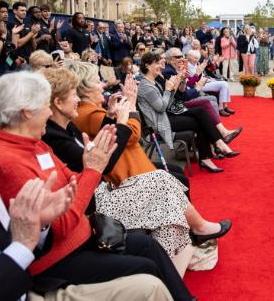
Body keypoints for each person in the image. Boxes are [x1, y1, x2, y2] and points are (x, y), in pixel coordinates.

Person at [0, 71, 195, 300]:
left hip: (82, 235)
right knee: (145, 267)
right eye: (45, 106)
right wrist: (93, 170)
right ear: (26, 112)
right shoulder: (5, 161)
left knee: (145, 244)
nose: (49, 112)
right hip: (58, 259)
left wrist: (89, 170)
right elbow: (61, 225)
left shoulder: (34, 145)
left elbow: (73, 181)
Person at [41, 67, 231, 273]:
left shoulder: (67, 126)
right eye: (73, 94)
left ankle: (175, 264)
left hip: (106, 186)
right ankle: (190, 241)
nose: (103, 85)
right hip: (100, 197)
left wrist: (114, 117)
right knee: (164, 181)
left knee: (167, 186)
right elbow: (129, 138)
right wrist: (127, 112)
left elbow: (97, 150)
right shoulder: (68, 125)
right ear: (58, 103)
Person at [137, 52, 239, 173]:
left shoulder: (154, 81)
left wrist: (180, 81)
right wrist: (169, 90)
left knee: (201, 112)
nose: (160, 66)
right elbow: (161, 108)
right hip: (160, 124)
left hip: (169, 115)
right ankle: (214, 149)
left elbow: (172, 101)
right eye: (157, 63)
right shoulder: (145, 86)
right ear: (147, 66)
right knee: (200, 120)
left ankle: (215, 148)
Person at [185, 49, 235, 116]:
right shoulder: (188, 66)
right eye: (195, 58)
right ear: (189, 57)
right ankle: (221, 108)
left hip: (204, 81)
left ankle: (225, 106)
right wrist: (203, 70)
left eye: (197, 58)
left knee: (224, 83)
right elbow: (195, 79)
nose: (196, 60)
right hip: (198, 85)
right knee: (223, 84)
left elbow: (207, 72)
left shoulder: (195, 64)